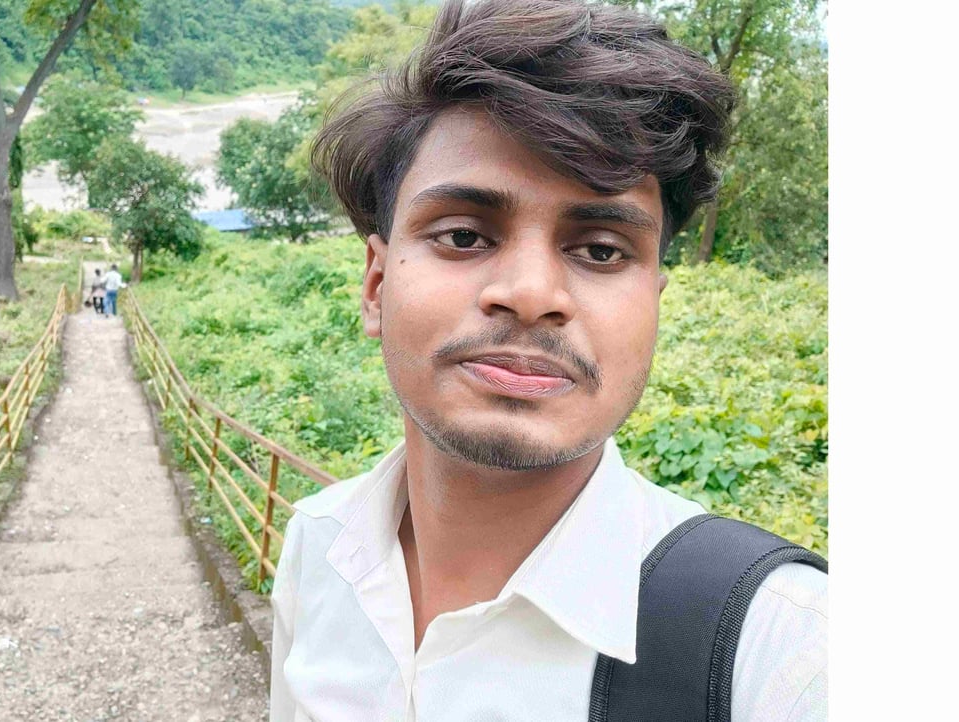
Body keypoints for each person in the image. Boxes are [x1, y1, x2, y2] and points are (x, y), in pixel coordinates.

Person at [270, 1, 827, 720]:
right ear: (377, 286)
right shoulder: (317, 547)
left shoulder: (788, 655)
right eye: (463, 236)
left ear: (654, 305)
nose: (532, 295)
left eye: (600, 250)